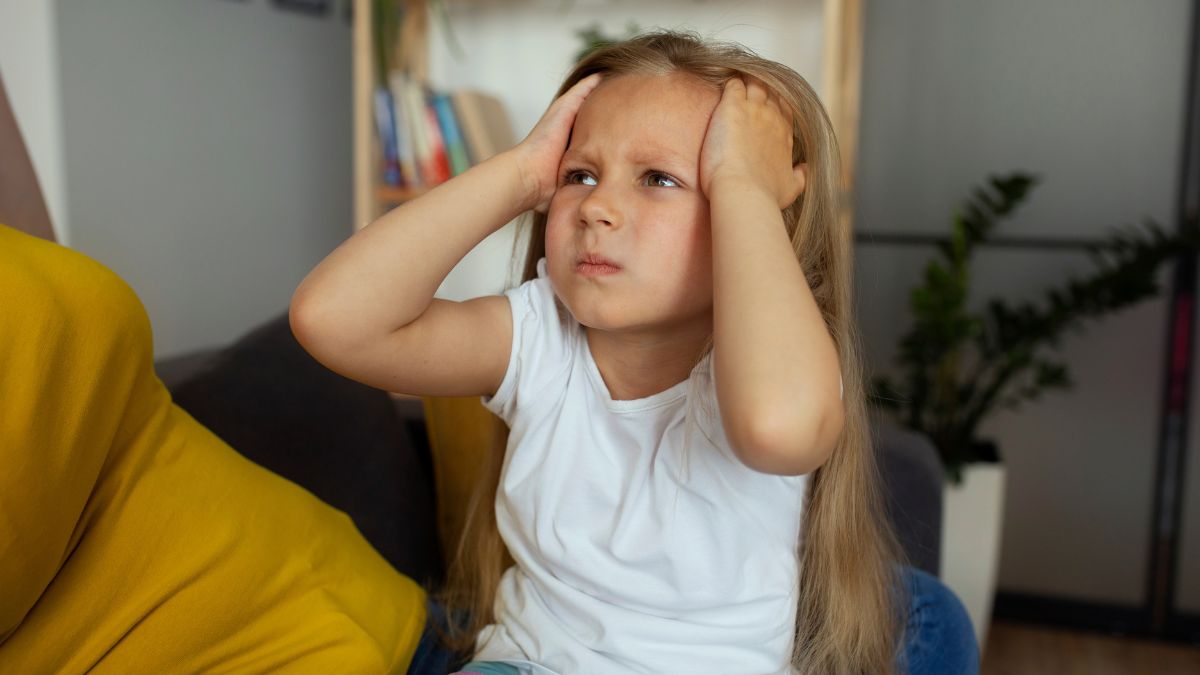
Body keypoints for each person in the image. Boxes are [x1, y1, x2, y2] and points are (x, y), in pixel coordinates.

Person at [291, 29, 978, 675]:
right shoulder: (539, 336)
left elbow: (779, 426)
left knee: (927, 611)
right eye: (581, 174)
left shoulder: (770, 356)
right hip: (531, 663)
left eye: (658, 178)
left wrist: (743, 184)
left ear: (759, 222)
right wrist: (523, 173)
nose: (597, 207)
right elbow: (333, 320)